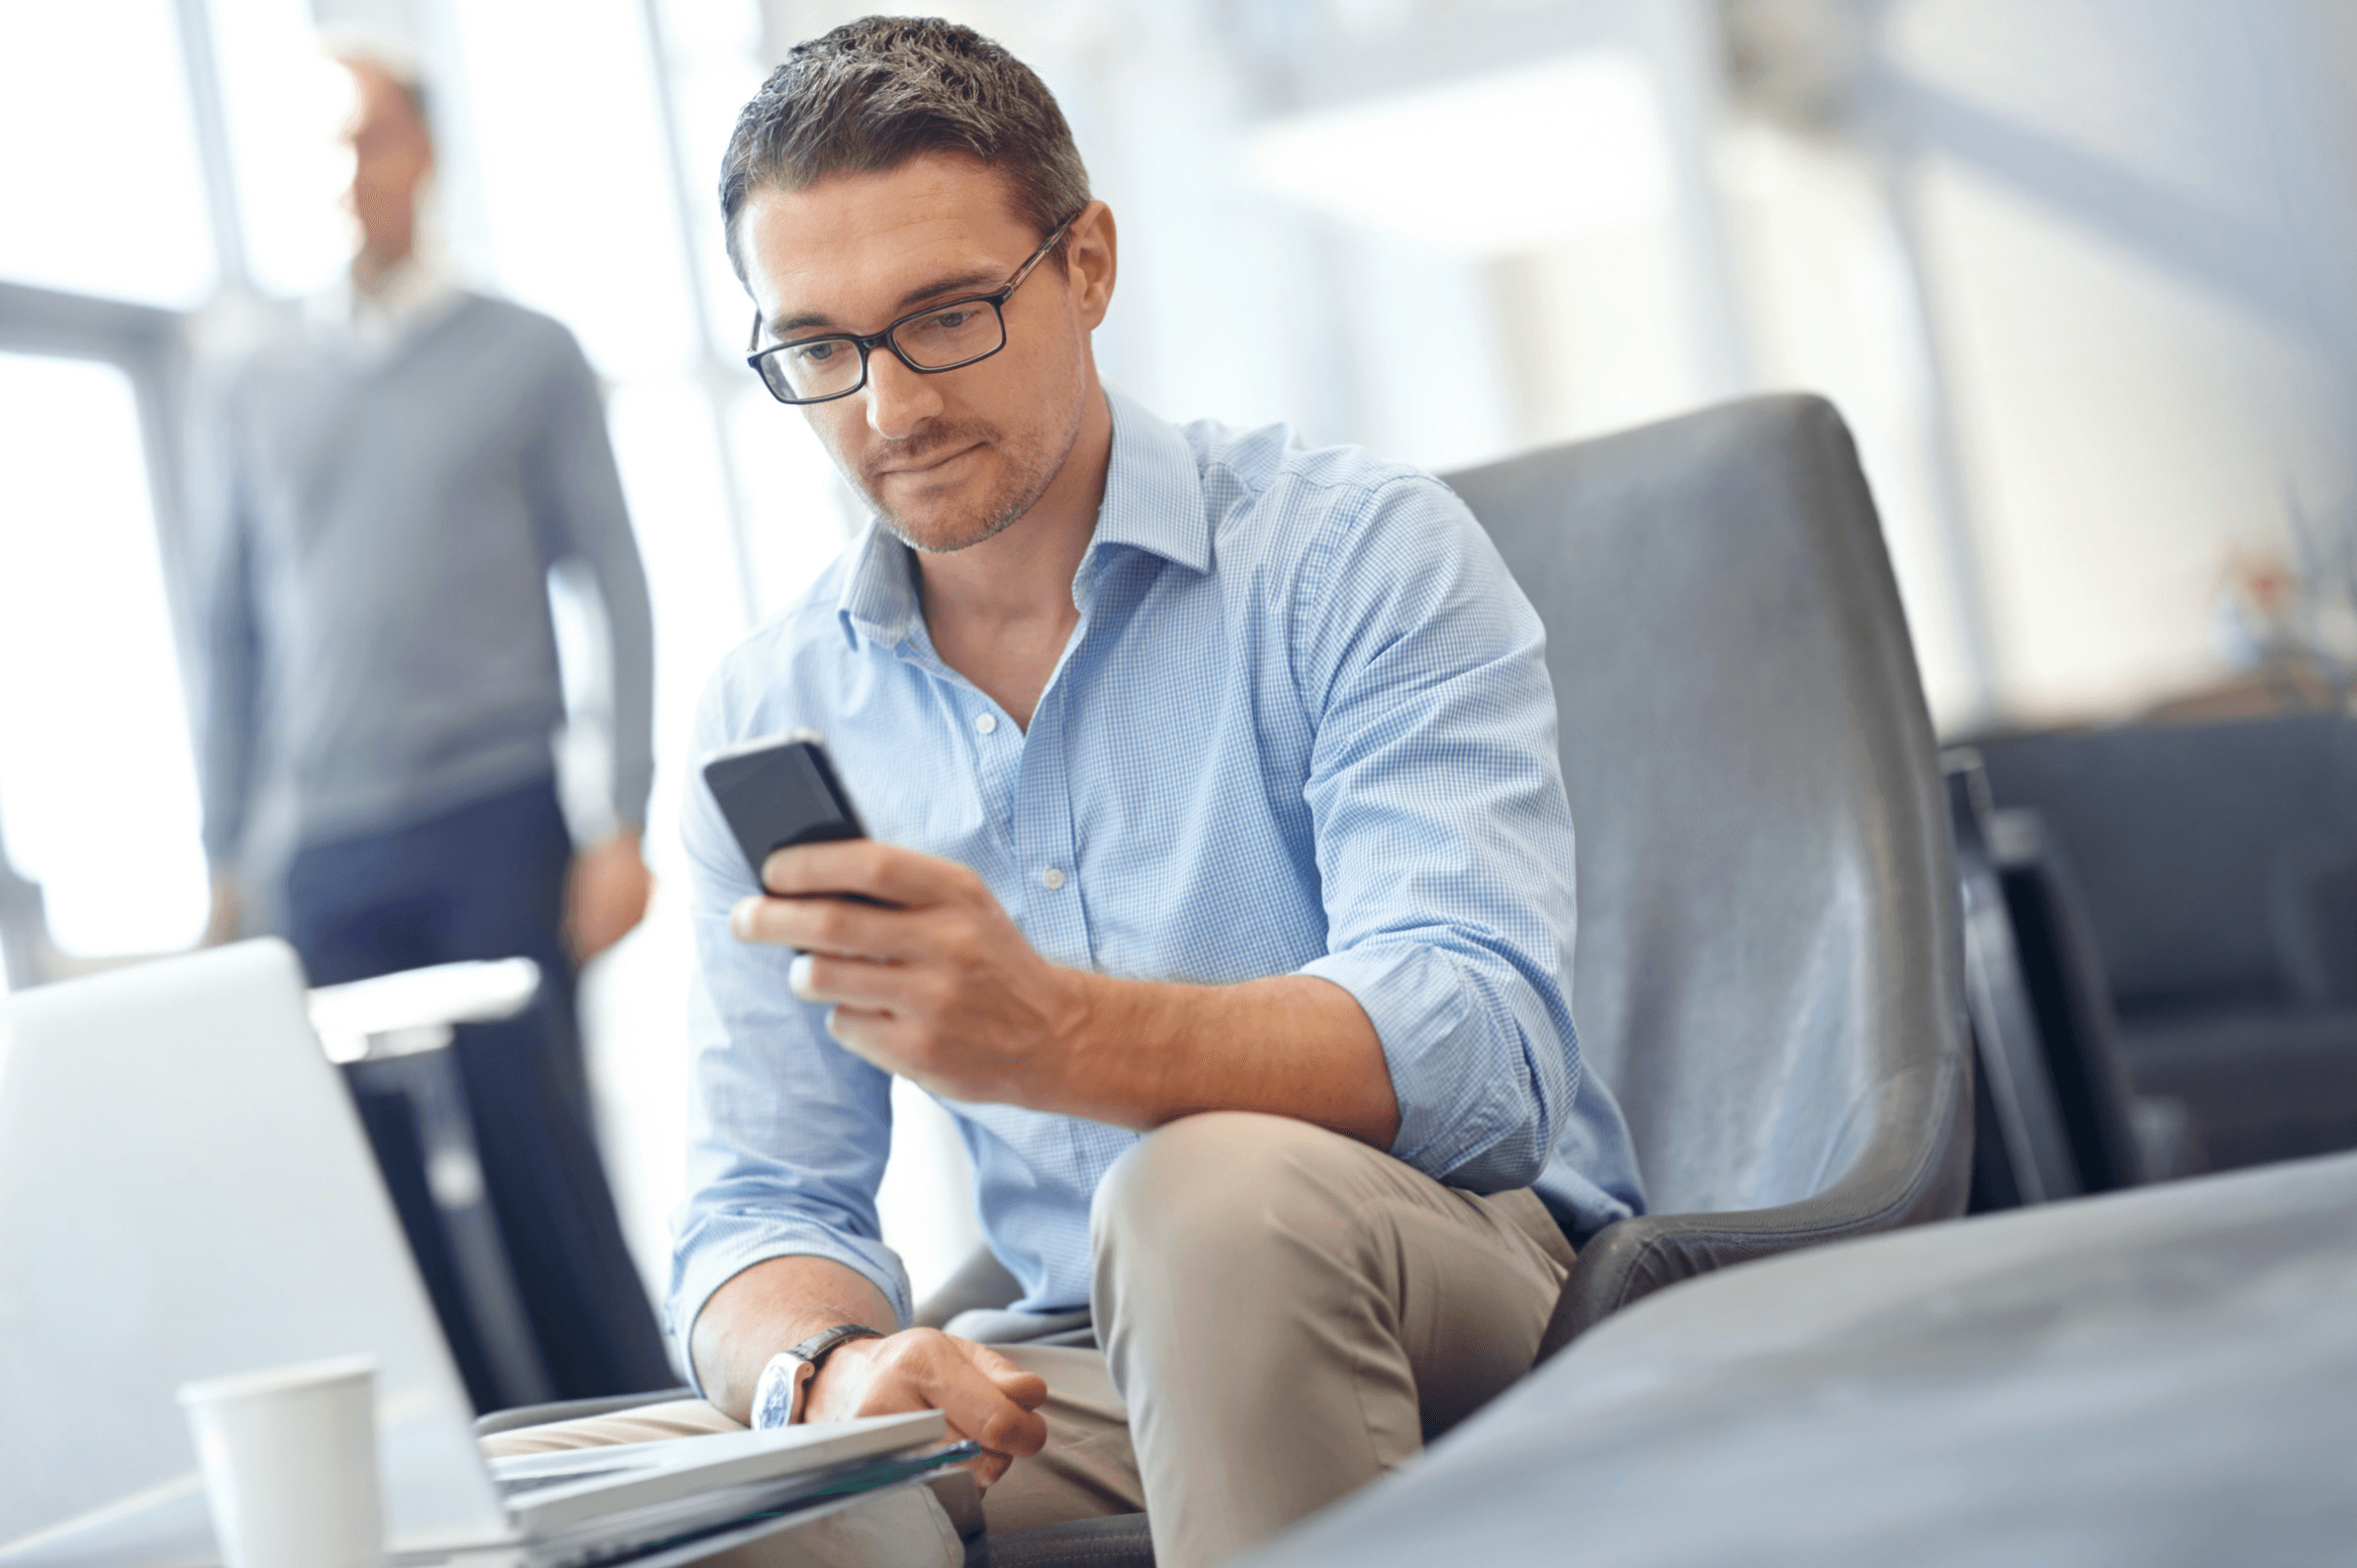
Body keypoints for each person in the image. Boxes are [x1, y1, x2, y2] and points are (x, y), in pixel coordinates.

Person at [492, 16, 1644, 1566]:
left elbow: (1481, 1051)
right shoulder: (769, 711)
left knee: (1206, 1204)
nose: (887, 411)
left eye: (947, 315)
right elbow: (760, 1200)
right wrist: (829, 1372)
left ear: (1088, 264)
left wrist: (1055, 1030)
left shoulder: (1355, 558)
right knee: (527, 1505)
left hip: (1461, 1277)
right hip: (1071, 1365)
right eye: (818, 349)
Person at [192, 51, 671, 1401]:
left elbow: (616, 584)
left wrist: (621, 817)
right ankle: (458, 1490)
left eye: (376, 141)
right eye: (327, 149)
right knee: (372, 1195)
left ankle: (633, 1440)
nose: (351, 174)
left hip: (495, 813)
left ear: (426, 155)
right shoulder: (250, 383)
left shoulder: (526, 353)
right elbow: (227, 630)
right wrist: (227, 853)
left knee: (538, 1157)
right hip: (326, 848)